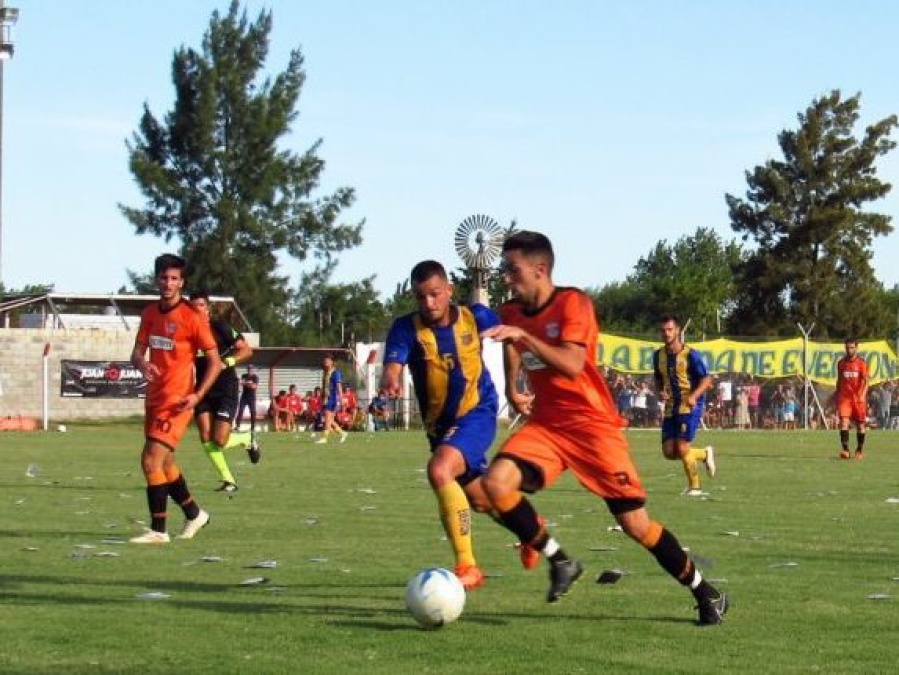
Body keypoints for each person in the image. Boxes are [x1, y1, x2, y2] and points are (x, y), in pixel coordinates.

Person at [480, 231, 727, 624]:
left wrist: (525, 336)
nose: (507, 278)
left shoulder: (573, 303)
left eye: (514, 270)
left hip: (593, 427)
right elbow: (511, 344)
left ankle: (704, 591)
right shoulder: (511, 312)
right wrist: (513, 386)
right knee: (495, 484)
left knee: (635, 524)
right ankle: (560, 560)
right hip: (548, 424)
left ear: (540, 269)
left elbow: (573, 363)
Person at [382, 259, 512, 590]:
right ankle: (528, 527)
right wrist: (390, 379)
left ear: (449, 290)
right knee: (481, 501)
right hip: (440, 429)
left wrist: (517, 384)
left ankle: (468, 566)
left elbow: (513, 337)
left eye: (435, 294)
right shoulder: (405, 328)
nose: (429, 303)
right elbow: (393, 366)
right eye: (421, 296)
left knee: (439, 471)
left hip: (478, 410)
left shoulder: (475, 316)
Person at [128, 254, 219, 544]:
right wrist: (143, 365)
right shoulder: (150, 314)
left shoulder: (192, 317)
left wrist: (197, 395)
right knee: (165, 463)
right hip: (154, 397)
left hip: (177, 401)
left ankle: (159, 530)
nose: (168, 283)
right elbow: (136, 353)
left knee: (150, 461)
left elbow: (215, 361)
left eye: (174, 278)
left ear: (182, 282)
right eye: (164, 278)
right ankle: (194, 513)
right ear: (157, 279)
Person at [189, 291, 261, 493]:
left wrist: (227, 361)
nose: (197, 311)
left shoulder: (219, 327)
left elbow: (246, 350)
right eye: (193, 307)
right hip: (203, 389)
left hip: (225, 388)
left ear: (208, 308)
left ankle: (246, 439)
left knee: (219, 440)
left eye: (201, 306)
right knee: (205, 435)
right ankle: (229, 480)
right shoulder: (188, 333)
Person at [652, 314, 716, 496]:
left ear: (678, 331)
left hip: (689, 405)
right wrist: (660, 391)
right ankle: (704, 454)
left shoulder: (690, 354)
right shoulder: (658, 356)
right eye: (663, 330)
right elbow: (657, 377)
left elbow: (706, 379)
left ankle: (695, 487)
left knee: (681, 447)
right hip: (672, 406)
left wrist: (694, 396)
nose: (666, 333)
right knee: (669, 451)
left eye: (670, 329)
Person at [835, 337, 868, 459]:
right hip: (845, 398)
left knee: (860, 425)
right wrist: (837, 394)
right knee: (844, 422)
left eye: (852, 348)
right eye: (847, 348)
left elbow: (866, 381)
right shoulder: (841, 363)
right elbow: (839, 380)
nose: (849, 350)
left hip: (858, 399)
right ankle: (845, 451)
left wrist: (863, 395)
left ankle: (859, 450)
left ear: (856, 348)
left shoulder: (861, 363)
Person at [315, 354, 348, 444]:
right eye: (325, 360)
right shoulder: (325, 372)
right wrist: (321, 397)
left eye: (327, 360)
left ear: (332, 362)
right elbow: (324, 386)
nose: (325, 362)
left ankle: (324, 438)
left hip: (332, 399)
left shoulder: (335, 373)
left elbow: (338, 386)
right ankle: (342, 433)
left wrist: (341, 399)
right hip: (325, 399)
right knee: (329, 419)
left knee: (327, 418)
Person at [236, 365, 259, 433]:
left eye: (251, 369)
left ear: (253, 370)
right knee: (240, 411)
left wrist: (247, 383)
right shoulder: (244, 375)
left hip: (251, 397)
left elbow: (254, 387)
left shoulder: (255, 377)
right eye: (249, 369)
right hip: (244, 396)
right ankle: (237, 426)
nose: (250, 370)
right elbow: (241, 383)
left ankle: (253, 427)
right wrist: (249, 383)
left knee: (253, 412)